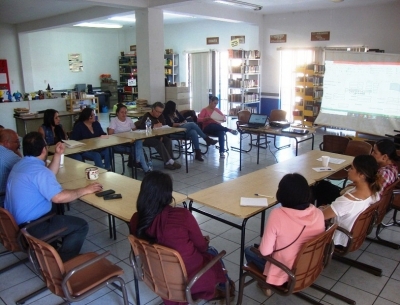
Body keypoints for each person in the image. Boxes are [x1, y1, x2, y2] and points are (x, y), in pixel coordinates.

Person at [130, 171, 234, 303]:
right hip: (190, 280)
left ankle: (224, 287)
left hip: (157, 277)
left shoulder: (135, 220)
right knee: (212, 251)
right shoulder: (182, 216)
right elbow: (202, 247)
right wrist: (204, 242)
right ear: (168, 194)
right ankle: (226, 288)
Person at [4, 132, 103, 261]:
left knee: (58, 213)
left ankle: (54, 248)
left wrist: (57, 154)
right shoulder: (39, 171)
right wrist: (85, 189)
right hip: (33, 227)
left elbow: (48, 174)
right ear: (44, 149)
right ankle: (62, 261)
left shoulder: (22, 164)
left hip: (17, 225)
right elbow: (58, 198)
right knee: (81, 225)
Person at [244, 173, 325, 293]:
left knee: (249, 250)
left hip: (286, 273)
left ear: (281, 194)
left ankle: (266, 284)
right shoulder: (318, 213)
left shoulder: (277, 215)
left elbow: (265, 252)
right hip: (310, 267)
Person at [321, 155, 382, 246]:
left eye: (352, 168)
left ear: (361, 175)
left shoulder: (348, 201)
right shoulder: (375, 192)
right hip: (354, 235)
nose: (348, 170)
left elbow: (320, 217)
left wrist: (319, 209)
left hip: (338, 238)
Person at [136, 102, 181, 170]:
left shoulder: (161, 116)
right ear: (153, 109)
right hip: (147, 138)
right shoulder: (147, 116)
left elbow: (164, 127)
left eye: (160, 112)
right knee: (158, 143)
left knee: (168, 140)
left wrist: (161, 136)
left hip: (158, 135)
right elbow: (142, 127)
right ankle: (170, 162)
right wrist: (153, 126)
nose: (158, 114)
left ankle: (169, 161)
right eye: (157, 111)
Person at [108, 103, 150, 173]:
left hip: (129, 142)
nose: (124, 114)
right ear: (117, 113)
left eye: (125, 112)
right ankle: (144, 167)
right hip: (119, 144)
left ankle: (139, 161)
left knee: (139, 141)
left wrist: (138, 133)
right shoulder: (114, 121)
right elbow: (110, 134)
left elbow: (135, 130)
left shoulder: (129, 119)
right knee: (139, 150)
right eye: (122, 112)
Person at [0, 129, 22, 207]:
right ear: (6, 143)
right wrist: (17, 151)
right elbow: (26, 168)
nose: (18, 144)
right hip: (3, 200)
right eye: (16, 142)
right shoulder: (7, 155)